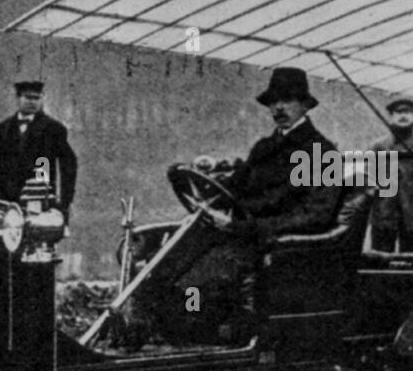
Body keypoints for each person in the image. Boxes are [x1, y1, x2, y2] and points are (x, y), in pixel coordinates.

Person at [145, 67, 342, 345]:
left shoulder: (322, 152)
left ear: (303, 104)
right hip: (238, 234)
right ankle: (159, 328)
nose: (278, 107)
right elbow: (235, 186)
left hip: (271, 242)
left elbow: (316, 214)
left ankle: (200, 334)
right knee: (163, 260)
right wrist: (203, 186)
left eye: (286, 100)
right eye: (273, 101)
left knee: (195, 282)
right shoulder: (263, 147)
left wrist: (242, 227)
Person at [0, 80, 78, 220]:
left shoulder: (53, 128)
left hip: (39, 197)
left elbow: (68, 165)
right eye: (28, 97)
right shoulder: (4, 128)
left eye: (36, 98)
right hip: (7, 199)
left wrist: (65, 202)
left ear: (42, 99)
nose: (32, 102)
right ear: (18, 98)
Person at [368, 98, 413, 253]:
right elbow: (368, 182)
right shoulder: (378, 147)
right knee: (378, 265)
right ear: (391, 117)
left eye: (407, 112)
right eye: (398, 112)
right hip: (384, 214)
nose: (403, 116)